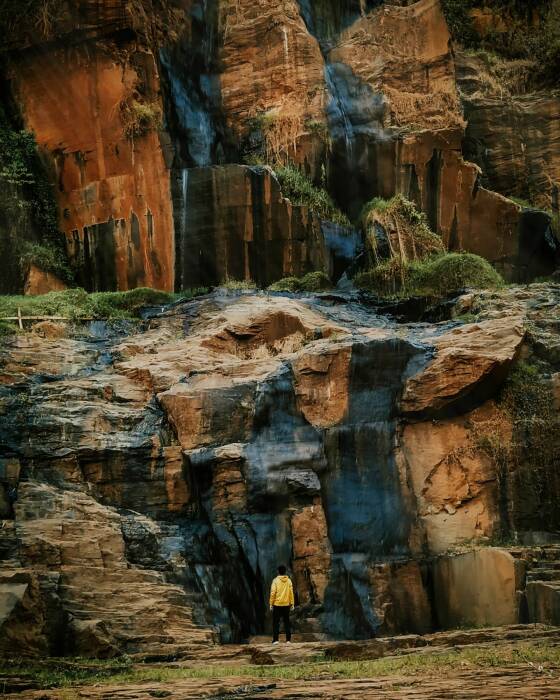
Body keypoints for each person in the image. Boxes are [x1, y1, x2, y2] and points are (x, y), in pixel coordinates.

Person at [269, 565, 294, 644]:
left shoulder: (275, 580)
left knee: (276, 623)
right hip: (286, 604)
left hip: (277, 605)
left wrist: (271, 604)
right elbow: (291, 593)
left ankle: (276, 640)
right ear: (285, 571)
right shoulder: (289, 581)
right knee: (287, 622)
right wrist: (292, 603)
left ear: (278, 571)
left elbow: (273, 593)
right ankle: (288, 640)